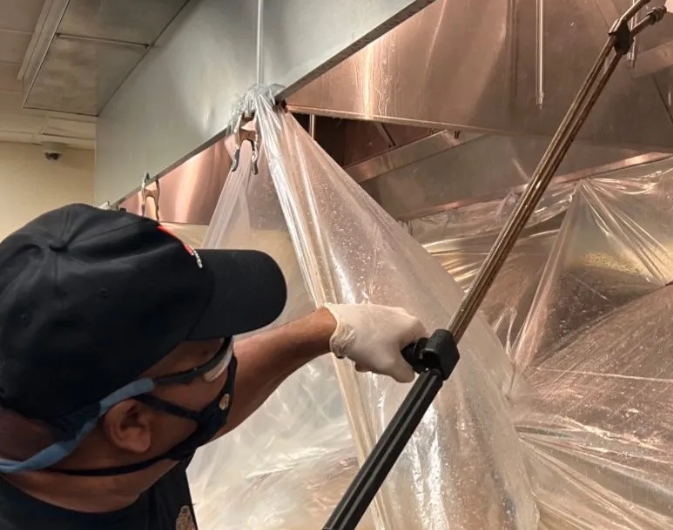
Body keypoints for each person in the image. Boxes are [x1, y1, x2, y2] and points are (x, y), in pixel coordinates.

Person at [0, 203, 428, 529]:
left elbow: (203, 404)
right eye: (214, 356)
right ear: (131, 423)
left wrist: (326, 329)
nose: (230, 364)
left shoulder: (87, 443)